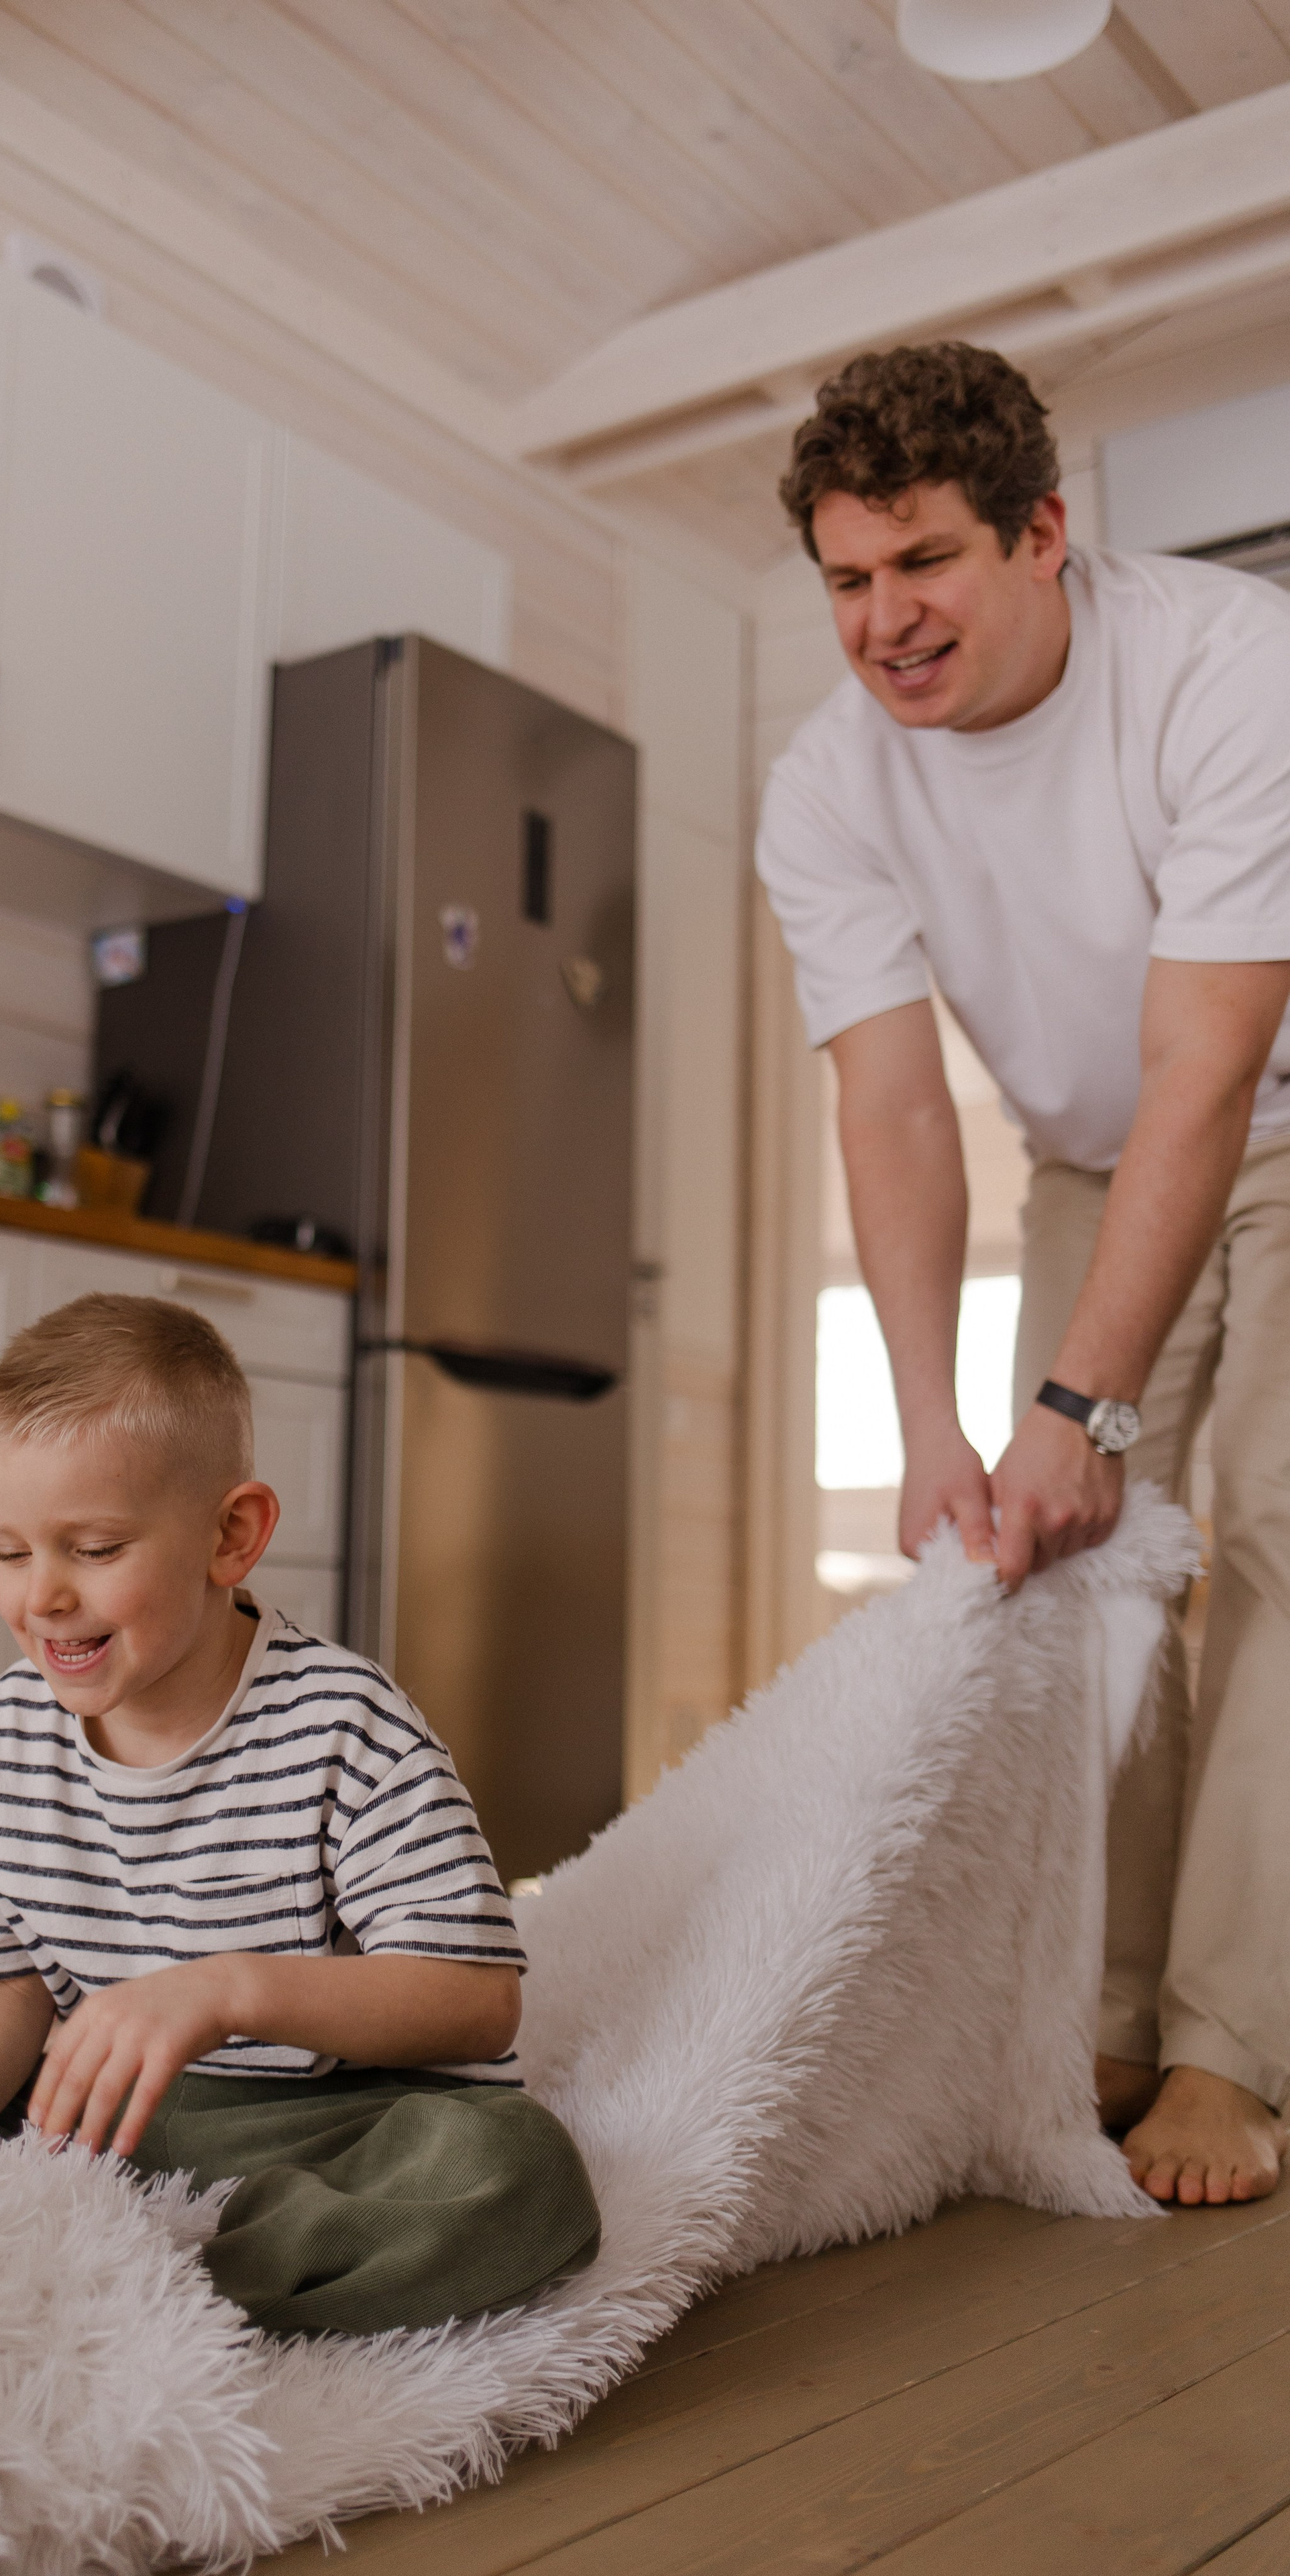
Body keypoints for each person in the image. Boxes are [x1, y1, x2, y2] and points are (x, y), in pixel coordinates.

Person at [757, 342, 1290, 2209]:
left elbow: (1207, 1066)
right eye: (846, 578)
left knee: (1274, 1527)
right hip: (1088, 1151)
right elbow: (896, 1109)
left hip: (1272, 1104)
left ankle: (1233, 2048)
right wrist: (938, 1426)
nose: (884, 620)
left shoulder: (1229, 665)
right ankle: (1116, 2011)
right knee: (1074, 1561)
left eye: (924, 561)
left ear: (1042, 533)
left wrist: (1083, 1398)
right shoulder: (827, 785)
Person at [0, 1292, 599, 2336]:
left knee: (516, 2170)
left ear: (231, 1536)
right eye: (11, 1552)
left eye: (95, 1548)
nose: (42, 1597)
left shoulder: (347, 1724)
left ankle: (176, 2302)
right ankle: (16, 2242)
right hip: (91, 2112)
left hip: (322, 2131)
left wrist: (226, 1990)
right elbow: (7, 1987)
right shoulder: (2, 1732)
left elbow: (473, 2001)